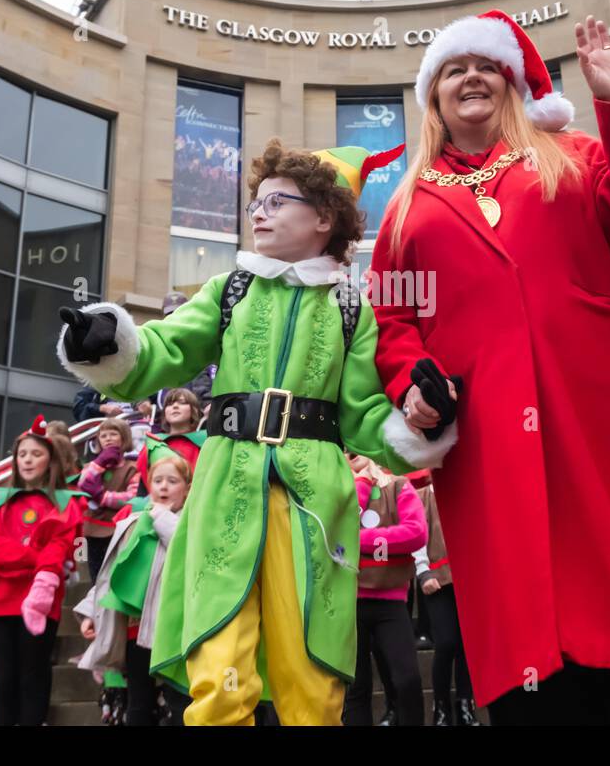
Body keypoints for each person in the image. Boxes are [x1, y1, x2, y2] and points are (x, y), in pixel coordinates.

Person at [367, 9, 610, 724]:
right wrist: (412, 385)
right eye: (453, 69)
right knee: (522, 607)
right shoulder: (406, 207)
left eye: (486, 66)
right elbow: (394, 324)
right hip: (491, 429)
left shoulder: (572, 155)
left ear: (514, 83)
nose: (470, 77)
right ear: (433, 97)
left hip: (597, 413)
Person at [57, 139, 453, 726]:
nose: (259, 213)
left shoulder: (353, 309)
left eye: (277, 202)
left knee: (311, 683)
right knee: (219, 673)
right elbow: (160, 351)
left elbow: (366, 416)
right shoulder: (228, 291)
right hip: (225, 492)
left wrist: (422, 423)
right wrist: (108, 341)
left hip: (315, 502)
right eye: (256, 205)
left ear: (324, 218)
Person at [77, 440, 190, 726]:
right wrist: (91, 611)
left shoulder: (190, 522)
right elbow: (110, 572)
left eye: (172, 481)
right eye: (157, 480)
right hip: (135, 629)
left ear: (187, 488)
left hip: (173, 629)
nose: (163, 487)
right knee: (139, 703)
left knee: (179, 703)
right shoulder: (132, 521)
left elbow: (185, 550)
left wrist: (161, 518)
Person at [0, 417, 84, 726]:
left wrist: (38, 561)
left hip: (40, 600)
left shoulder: (65, 503)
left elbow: (61, 543)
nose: (27, 460)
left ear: (50, 461)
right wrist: (35, 557)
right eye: (22, 454)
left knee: (33, 675)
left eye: (36, 454)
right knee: (3, 679)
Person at [343, 452, 428, 726]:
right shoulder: (340, 489)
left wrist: (358, 540)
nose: (356, 459)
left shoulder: (398, 485)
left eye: (357, 454)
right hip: (348, 602)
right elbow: (334, 534)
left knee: (408, 680)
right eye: (350, 454)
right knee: (356, 688)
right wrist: (362, 484)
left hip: (390, 600)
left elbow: (416, 533)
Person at [412, 474, 478, 726]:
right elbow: (419, 537)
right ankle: (440, 707)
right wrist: (423, 571)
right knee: (447, 642)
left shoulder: (469, 494)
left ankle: (465, 705)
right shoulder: (426, 495)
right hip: (438, 580)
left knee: (466, 645)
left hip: (468, 579)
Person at [76, 417, 139, 584]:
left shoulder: (132, 467)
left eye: (113, 434)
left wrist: (103, 497)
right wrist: (99, 462)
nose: (108, 438)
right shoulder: (92, 465)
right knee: (94, 577)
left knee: (112, 577)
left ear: (124, 438)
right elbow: (83, 485)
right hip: (92, 529)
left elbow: (131, 497)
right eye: (103, 436)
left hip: (116, 530)